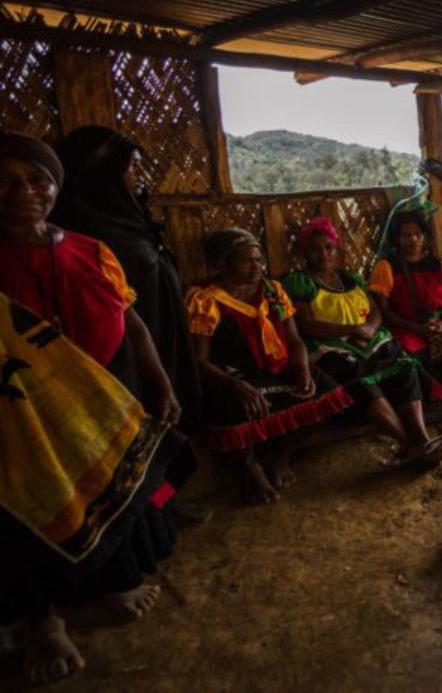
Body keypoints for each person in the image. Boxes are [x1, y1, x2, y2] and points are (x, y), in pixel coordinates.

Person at [0, 130, 184, 683]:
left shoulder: (88, 248)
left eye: (38, 180)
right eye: (5, 183)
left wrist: (159, 382)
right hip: (23, 412)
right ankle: (43, 621)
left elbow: (130, 320)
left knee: (107, 496)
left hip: (108, 395)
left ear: (57, 184)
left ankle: (103, 590)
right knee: (28, 513)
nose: (25, 193)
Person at [52, 126, 204, 503]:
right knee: (137, 431)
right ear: (104, 173)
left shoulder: (132, 223)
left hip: (159, 342)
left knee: (165, 423)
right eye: (132, 167)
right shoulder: (88, 237)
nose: (141, 175)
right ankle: (154, 508)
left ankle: (166, 503)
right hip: (127, 357)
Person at [188, 229, 353, 503]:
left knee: (327, 395)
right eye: (246, 261)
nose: (257, 267)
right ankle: (250, 466)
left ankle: (280, 456)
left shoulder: (272, 290)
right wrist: (238, 386)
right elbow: (200, 360)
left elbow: (294, 339)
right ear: (223, 264)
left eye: (259, 260)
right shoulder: (205, 299)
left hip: (276, 369)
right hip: (234, 377)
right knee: (235, 409)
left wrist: (302, 368)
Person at [282, 217, 442, 465]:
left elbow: (375, 309)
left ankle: (421, 439)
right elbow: (306, 324)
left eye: (328, 247)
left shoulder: (349, 278)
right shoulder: (300, 282)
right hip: (329, 346)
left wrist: (369, 327)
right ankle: (407, 444)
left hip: (368, 339)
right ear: (305, 252)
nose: (323, 254)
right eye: (315, 249)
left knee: (403, 366)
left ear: (336, 248)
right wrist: (351, 328)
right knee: (359, 381)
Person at [369, 211, 442, 386]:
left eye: (417, 234)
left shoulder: (437, 264)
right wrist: (418, 329)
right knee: (412, 351)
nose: (413, 240)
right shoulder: (387, 267)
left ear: (424, 237)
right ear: (396, 239)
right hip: (408, 327)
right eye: (406, 235)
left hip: (441, 324)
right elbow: (385, 310)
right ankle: (433, 396)